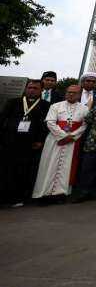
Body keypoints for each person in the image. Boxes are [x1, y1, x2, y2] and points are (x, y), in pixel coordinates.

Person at [32, 85, 89, 201]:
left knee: (67, 167)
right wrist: (63, 136)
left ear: (79, 95)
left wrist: (72, 137)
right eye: (69, 92)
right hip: (55, 140)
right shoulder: (55, 106)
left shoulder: (84, 108)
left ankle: (61, 194)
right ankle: (44, 193)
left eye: (74, 93)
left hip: (72, 142)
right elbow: (50, 123)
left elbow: (84, 125)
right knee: (49, 165)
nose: (71, 94)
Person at [0, 79, 50, 207]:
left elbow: (46, 125)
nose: (32, 90)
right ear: (26, 88)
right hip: (10, 142)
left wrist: (40, 140)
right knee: (6, 170)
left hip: (30, 144)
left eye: (35, 88)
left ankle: (18, 198)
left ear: (41, 90)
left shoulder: (46, 105)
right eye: (30, 88)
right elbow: (3, 119)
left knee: (24, 171)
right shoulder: (13, 102)